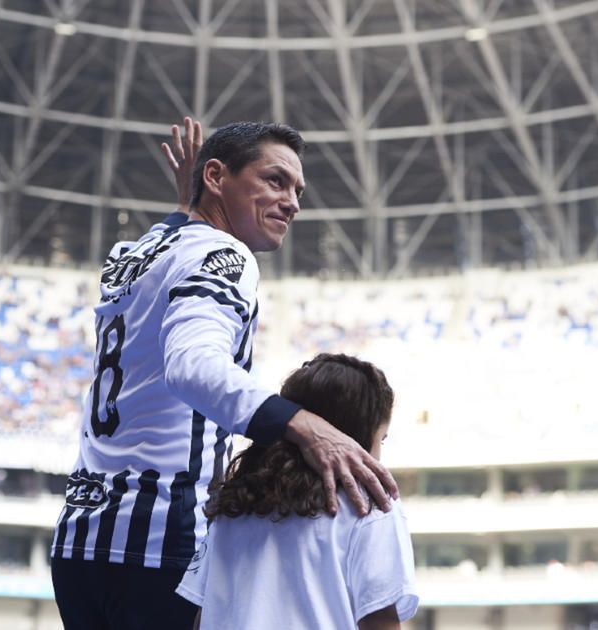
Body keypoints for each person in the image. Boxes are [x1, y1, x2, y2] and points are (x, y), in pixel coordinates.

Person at [50, 119, 398, 629]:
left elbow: (180, 240)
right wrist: (306, 426)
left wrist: (193, 199)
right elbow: (192, 366)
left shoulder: (136, 252)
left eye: (297, 189)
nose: (293, 202)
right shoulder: (224, 253)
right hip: (159, 545)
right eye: (275, 181)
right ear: (216, 176)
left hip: (82, 542)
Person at [176, 354, 417, 629]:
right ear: (356, 438)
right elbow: (380, 622)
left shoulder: (235, 503)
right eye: (381, 439)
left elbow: (202, 617)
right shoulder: (371, 507)